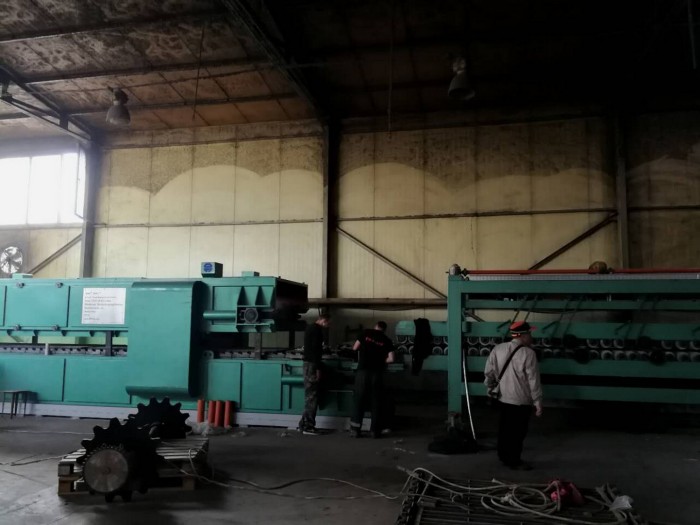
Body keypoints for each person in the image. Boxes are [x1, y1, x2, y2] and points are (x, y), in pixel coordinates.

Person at [484, 321, 543, 470]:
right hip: (521, 400)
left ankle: (503, 456)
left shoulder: (498, 349)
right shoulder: (528, 353)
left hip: (502, 398)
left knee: (504, 429)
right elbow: (533, 380)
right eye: (529, 333)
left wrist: (490, 388)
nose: (531, 336)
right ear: (523, 335)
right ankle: (514, 461)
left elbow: (489, 372)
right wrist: (537, 401)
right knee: (517, 432)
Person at [350, 321, 395, 438]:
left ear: (375, 326)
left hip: (363, 372)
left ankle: (355, 430)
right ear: (384, 330)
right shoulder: (387, 340)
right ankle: (374, 431)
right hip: (377, 374)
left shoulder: (365, 333)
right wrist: (381, 361)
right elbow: (391, 359)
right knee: (376, 401)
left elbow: (355, 348)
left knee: (359, 400)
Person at [298, 313, 330, 435]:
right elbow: (316, 351)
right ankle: (308, 426)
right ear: (323, 320)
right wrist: (318, 369)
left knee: (309, 396)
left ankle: (303, 424)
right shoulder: (317, 331)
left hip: (308, 364)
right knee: (312, 396)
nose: (328, 325)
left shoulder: (310, 328)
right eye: (328, 322)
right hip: (312, 365)